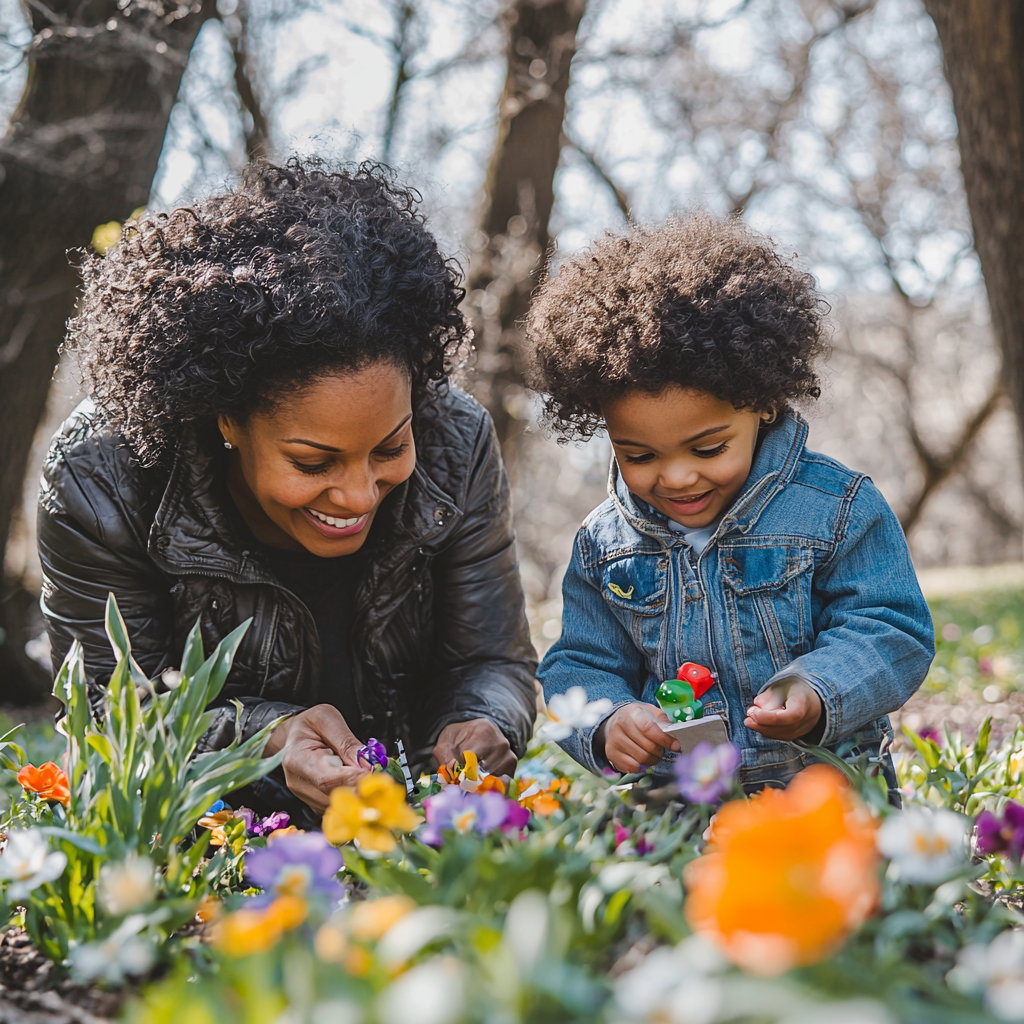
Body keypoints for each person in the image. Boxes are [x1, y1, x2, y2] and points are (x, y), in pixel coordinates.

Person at [38, 159, 537, 825]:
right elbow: (109, 717)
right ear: (225, 418)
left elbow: (490, 658)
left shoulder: (457, 440)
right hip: (215, 840)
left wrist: (480, 722)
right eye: (313, 462)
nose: (360, 495)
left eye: (390, 449)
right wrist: (265, 739)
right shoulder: (102, 477)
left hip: (408, 833)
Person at [526, 214, 934, 794]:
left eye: (708, 447)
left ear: (762, 404)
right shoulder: (605, 544)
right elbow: (583, 663)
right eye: (639, 455)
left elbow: (890, 628)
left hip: (824, 802)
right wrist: (608, 719)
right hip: (681, 817)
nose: (677, 476)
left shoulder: (835, 509)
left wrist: (817, 689)